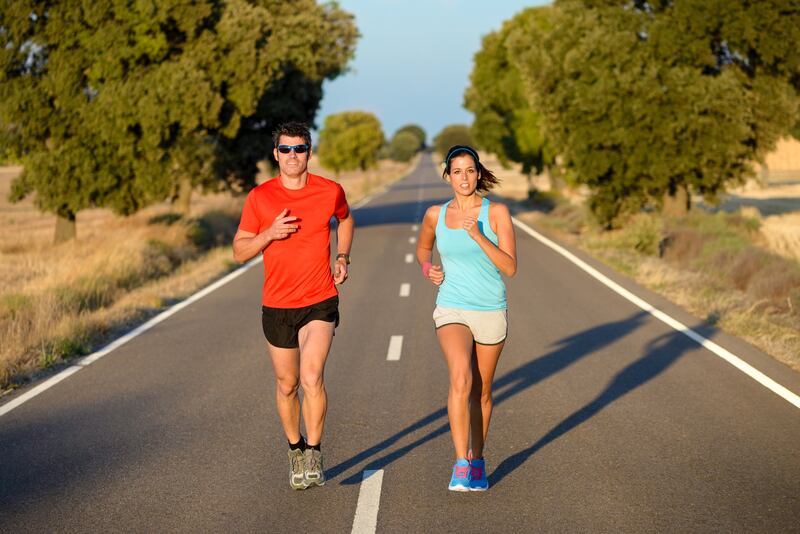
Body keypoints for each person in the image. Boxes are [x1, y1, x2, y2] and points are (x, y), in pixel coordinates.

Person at [233, 121, 354, 490]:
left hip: (319, 299)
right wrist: (268, 234)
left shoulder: (329, 191)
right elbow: (239, 252)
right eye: (285, 149)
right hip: (277, 304)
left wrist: (343, 256)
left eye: (299, 149)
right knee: (287, 385)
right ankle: (295, 448)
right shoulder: (260, 198)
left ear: (309, 153)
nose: (292, 156)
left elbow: (346, 219)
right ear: (276, 154)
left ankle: (314, 452)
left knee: (311, 376)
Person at [416, 145, 517, 491]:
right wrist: (429, 269)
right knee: (461, 379)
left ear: (478, 173)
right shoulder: (435, 214)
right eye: (457, 171)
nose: (464, 177)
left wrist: (477, 235)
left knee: (482, 392)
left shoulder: (497, 213)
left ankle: (477, 459)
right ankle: (461, 463)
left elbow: (510, 267)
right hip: (452, 305)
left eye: (470, 170)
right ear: (447, 175)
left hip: (490, 307)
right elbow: (422, 248)